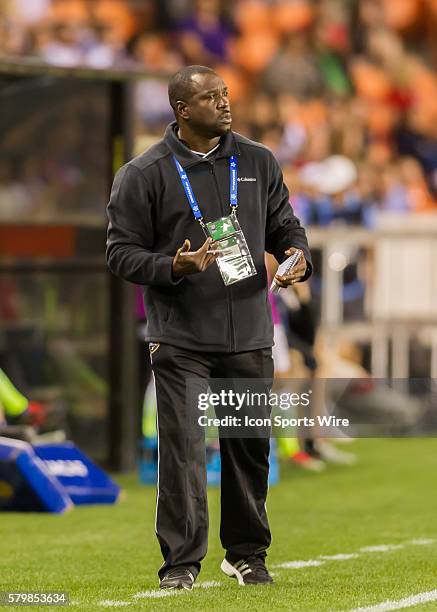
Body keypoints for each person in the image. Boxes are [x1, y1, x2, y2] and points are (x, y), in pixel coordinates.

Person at [106, 65, 312, 590]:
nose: (225, 103)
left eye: (225, 94)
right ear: (182, 109)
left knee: (249, 446)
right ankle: (181, 564)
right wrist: (173, 267)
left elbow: (285, 224)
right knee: (183, 451)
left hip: (249, 331)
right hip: (180, 338)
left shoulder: (258, 160)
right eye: (211, 97)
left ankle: (246, 554)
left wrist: (297, 255)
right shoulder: (143, 173)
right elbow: (120, 253)